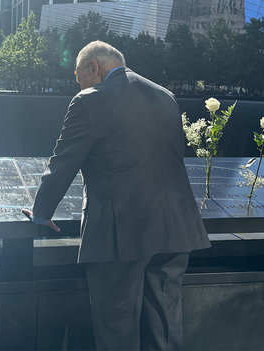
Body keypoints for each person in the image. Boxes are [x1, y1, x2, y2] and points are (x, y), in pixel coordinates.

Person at [22, 41, 210, 350]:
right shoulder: (166, 96)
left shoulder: (89, 100)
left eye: (78, 75)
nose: (78, 83)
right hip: (175, 231)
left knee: (117, 333)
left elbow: (62, 163)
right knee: (165, 332)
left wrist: (41, 212)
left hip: (120, 236)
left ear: (93, 67)